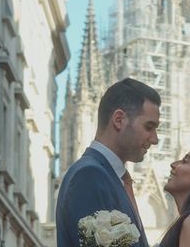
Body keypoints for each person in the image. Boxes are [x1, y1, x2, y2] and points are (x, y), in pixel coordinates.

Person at [56, 78, 161, 247]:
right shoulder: (89, 175)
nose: (155, 139)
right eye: (149, 127)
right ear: (119, 120)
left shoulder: (111, 177)